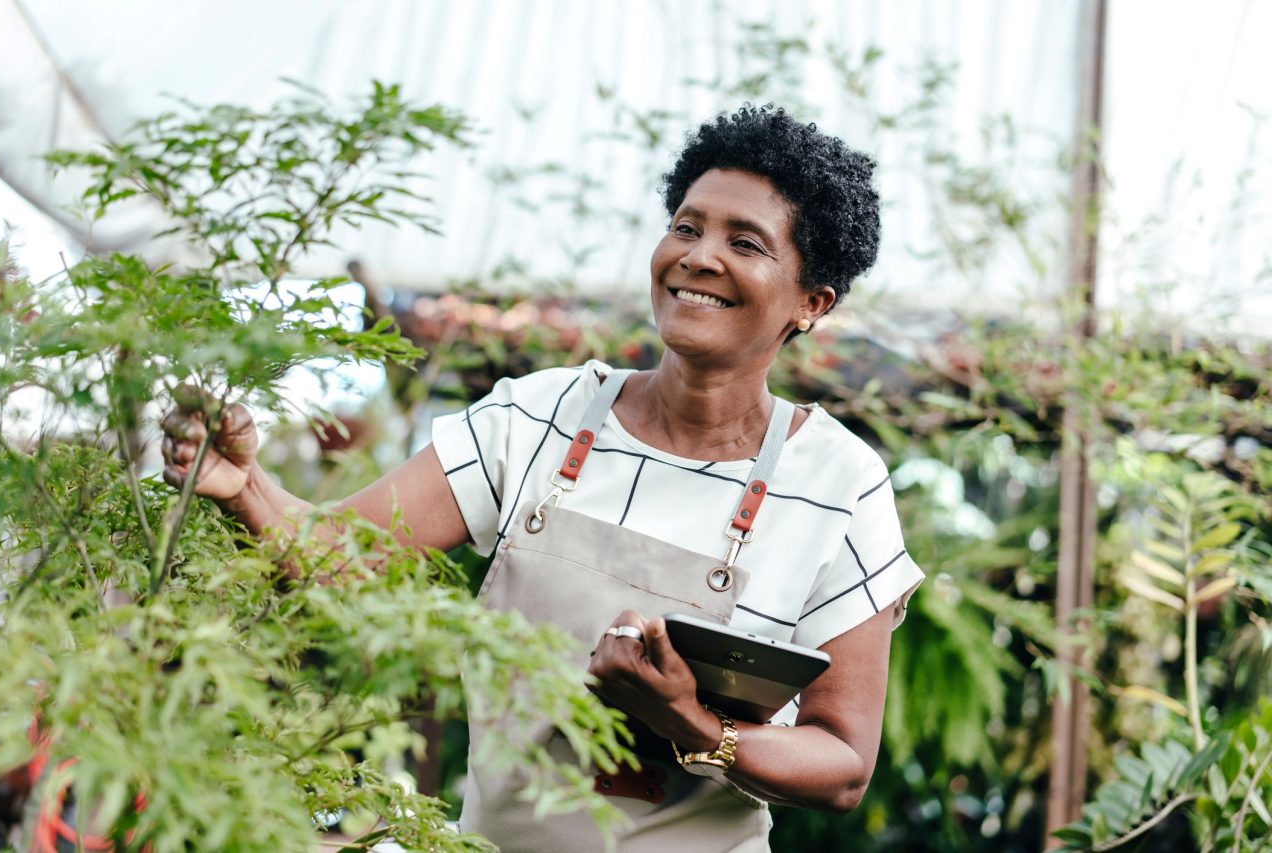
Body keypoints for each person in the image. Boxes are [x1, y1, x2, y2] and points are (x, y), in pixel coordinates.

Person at [162, 104, 924, 852]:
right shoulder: (540, 415)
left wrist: (691, 724)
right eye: (686, 226)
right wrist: (246, 484)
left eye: (745, 242)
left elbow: (843, 763)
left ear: (811, 302)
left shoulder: (838, 483)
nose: (698, 255)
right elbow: (339, 552)